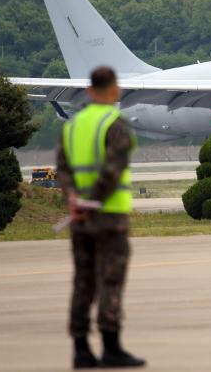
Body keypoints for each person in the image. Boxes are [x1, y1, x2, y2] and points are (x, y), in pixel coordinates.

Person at [56, 66, 146, 369]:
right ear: (115, 90)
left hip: (79, 219)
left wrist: (74, 200)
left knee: (82, 282)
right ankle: (111, 347)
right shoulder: (115, 124)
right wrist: (93, 200)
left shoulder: (73, 126)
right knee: (110, 281)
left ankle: (80, 349)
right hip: (109, 218)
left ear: (90, 91)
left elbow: (63, 170)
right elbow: (113, 170)